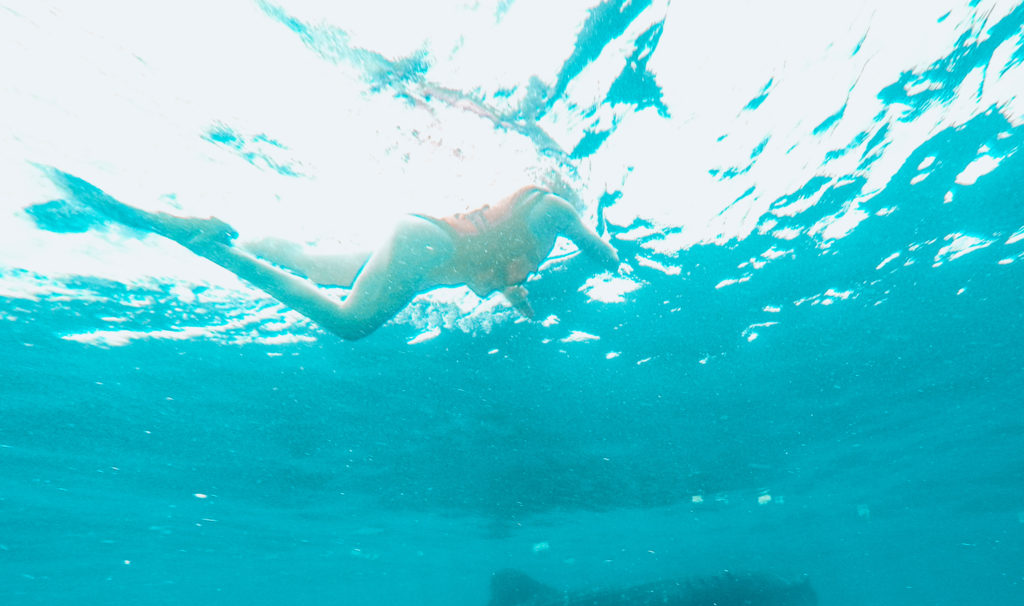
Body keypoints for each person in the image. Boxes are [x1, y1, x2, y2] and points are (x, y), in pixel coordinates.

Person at [42, 170, 620, 340]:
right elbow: (603, 256)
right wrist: (605, 256)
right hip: (426, 246)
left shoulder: (526, 246)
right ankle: (212, 250)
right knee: (351, 324)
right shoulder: (549, 209)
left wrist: (523, 301)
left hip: (422, 246)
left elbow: (500, 278)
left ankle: (235, 239)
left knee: (317, 266)